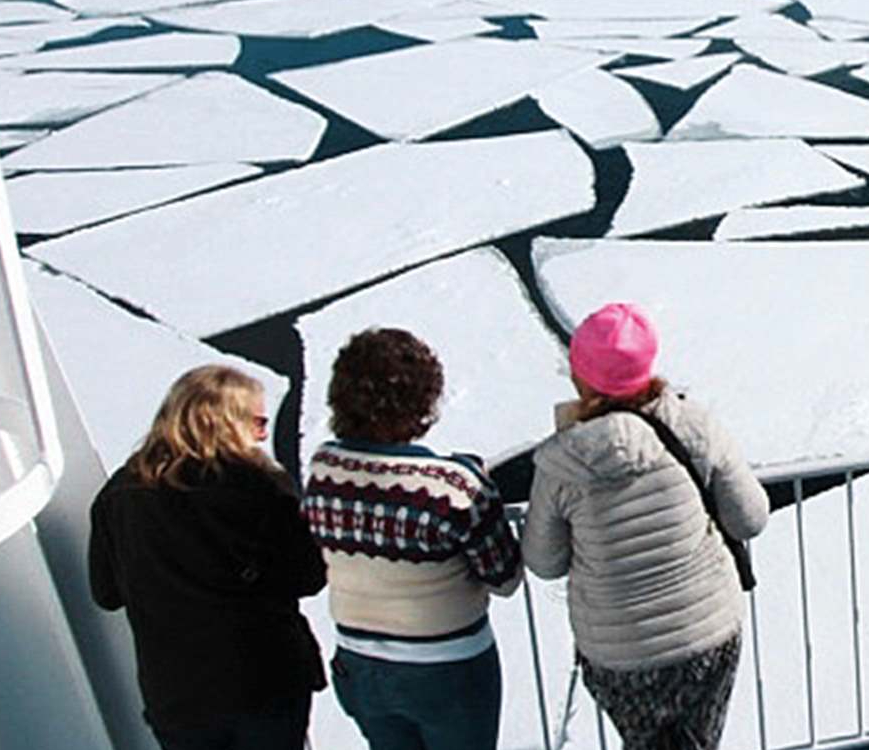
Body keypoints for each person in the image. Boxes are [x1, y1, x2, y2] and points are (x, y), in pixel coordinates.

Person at [525, 303, 770, 750]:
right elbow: (749, 517)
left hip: (618, 654)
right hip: (707, 634)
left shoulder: (561, 463)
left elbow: (544, 561)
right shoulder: (693, 426)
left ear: (580, 376)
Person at [303, 328, 526, 750]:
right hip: (447, 669)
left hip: (360, 663)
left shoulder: (323, 469)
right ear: (421, 401)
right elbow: (505, 576)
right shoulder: (452, 487)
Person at [87, 364, 326, 750]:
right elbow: (309, 576)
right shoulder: (261, 488)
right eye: (258, 422)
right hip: (264, 679)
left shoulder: (120, 494)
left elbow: (106, 593)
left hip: (176, 692)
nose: (263, 435)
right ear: (229, 423)